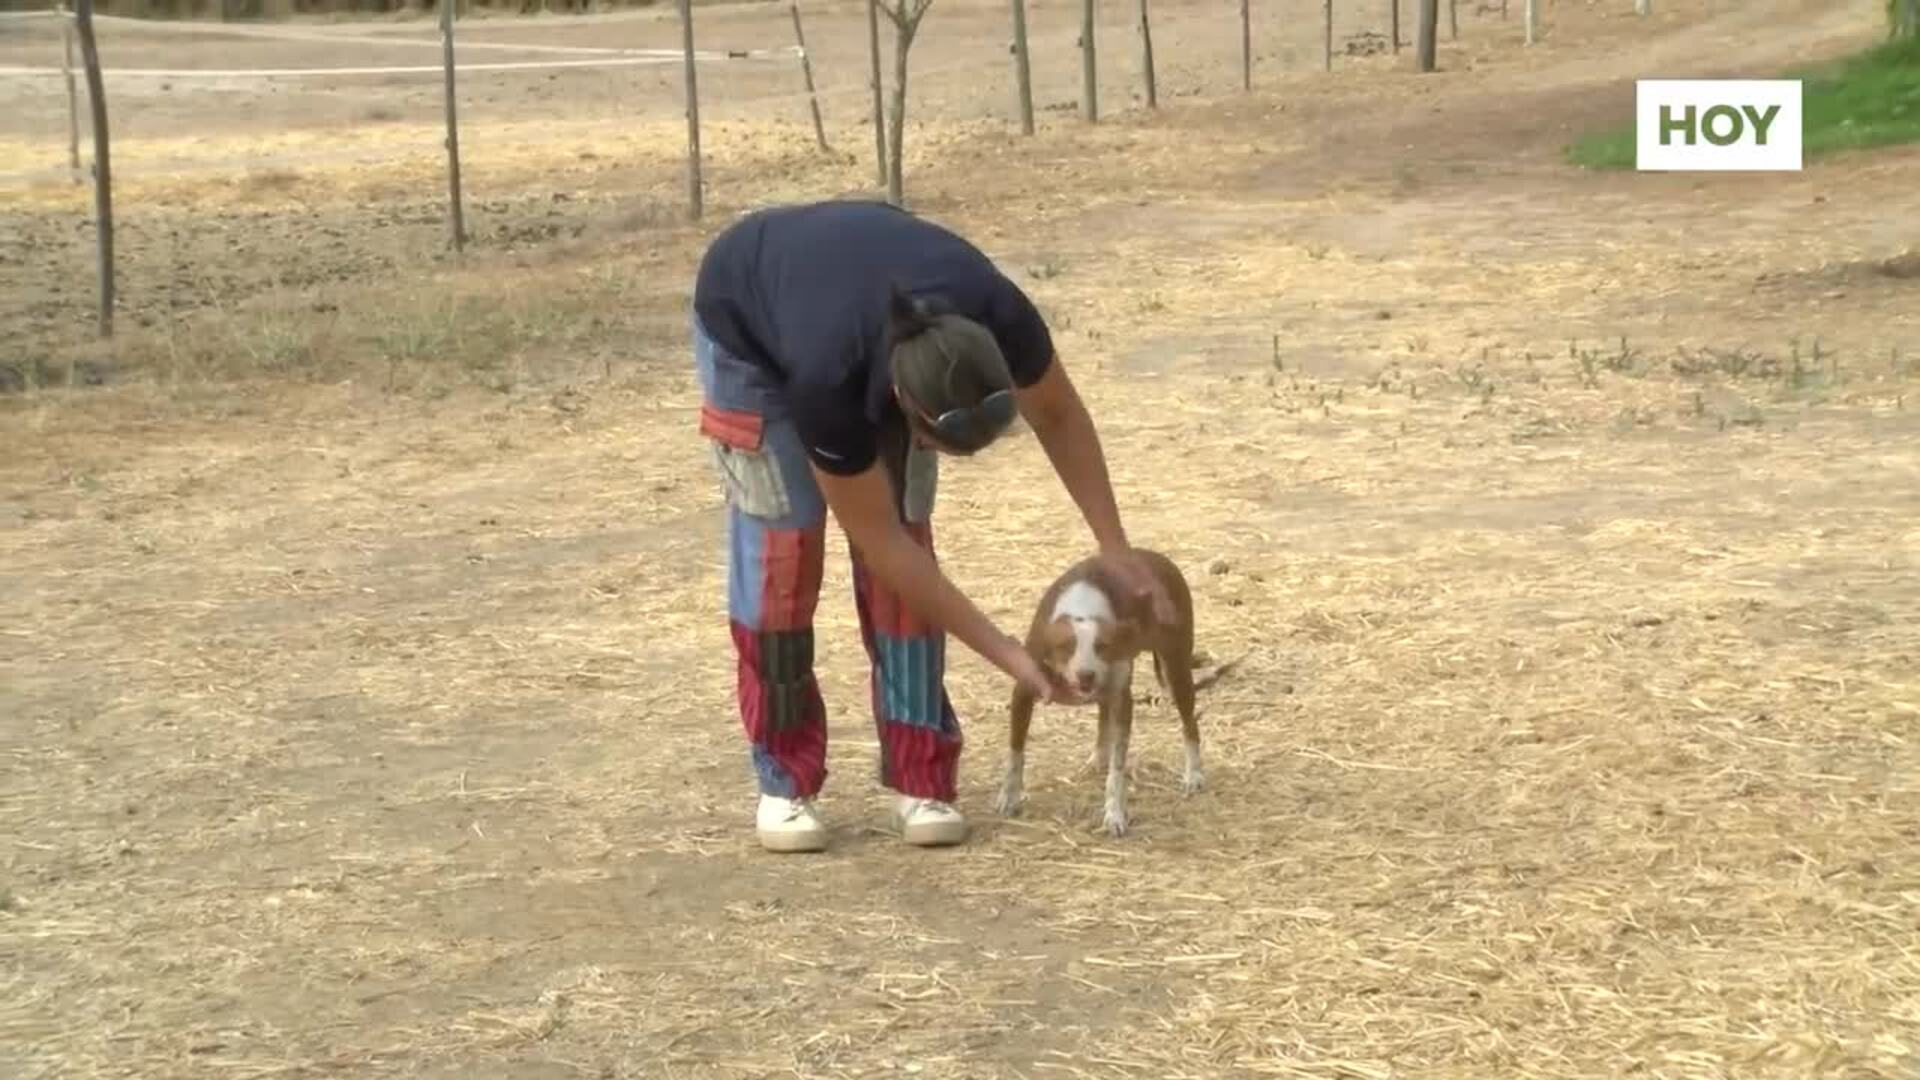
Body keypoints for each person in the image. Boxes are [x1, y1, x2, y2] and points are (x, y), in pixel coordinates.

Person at [690, 198, 1172, 853]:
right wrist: (1010, 655)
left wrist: (1116, 550)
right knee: (783, 556)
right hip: (754, 320)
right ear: (903, 408)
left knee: (911, 543)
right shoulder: (825, 381)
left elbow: (1057, 414)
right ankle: (784, 779)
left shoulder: (998, 312)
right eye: (940, 445)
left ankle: (922, 774)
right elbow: (879, 543)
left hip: (858, 296)